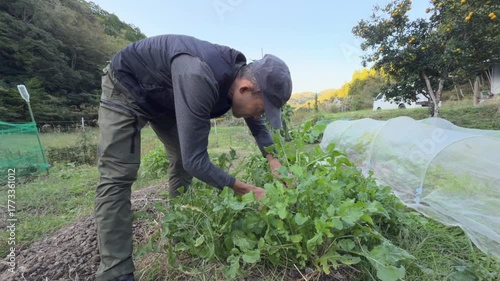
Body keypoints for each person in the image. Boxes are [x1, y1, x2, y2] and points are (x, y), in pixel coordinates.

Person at [94, 34, 292, 281]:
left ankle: (180, 227)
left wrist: (275, 162)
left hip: (167, 98)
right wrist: (247, 190)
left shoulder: (240, 78)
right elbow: (196, 160)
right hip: (128, 85)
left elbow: (256, 124)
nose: (258, 114)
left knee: (180, 161)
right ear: (245, 89)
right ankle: (116, 270)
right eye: (261, 108)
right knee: (118, 174)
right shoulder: (198, 75)